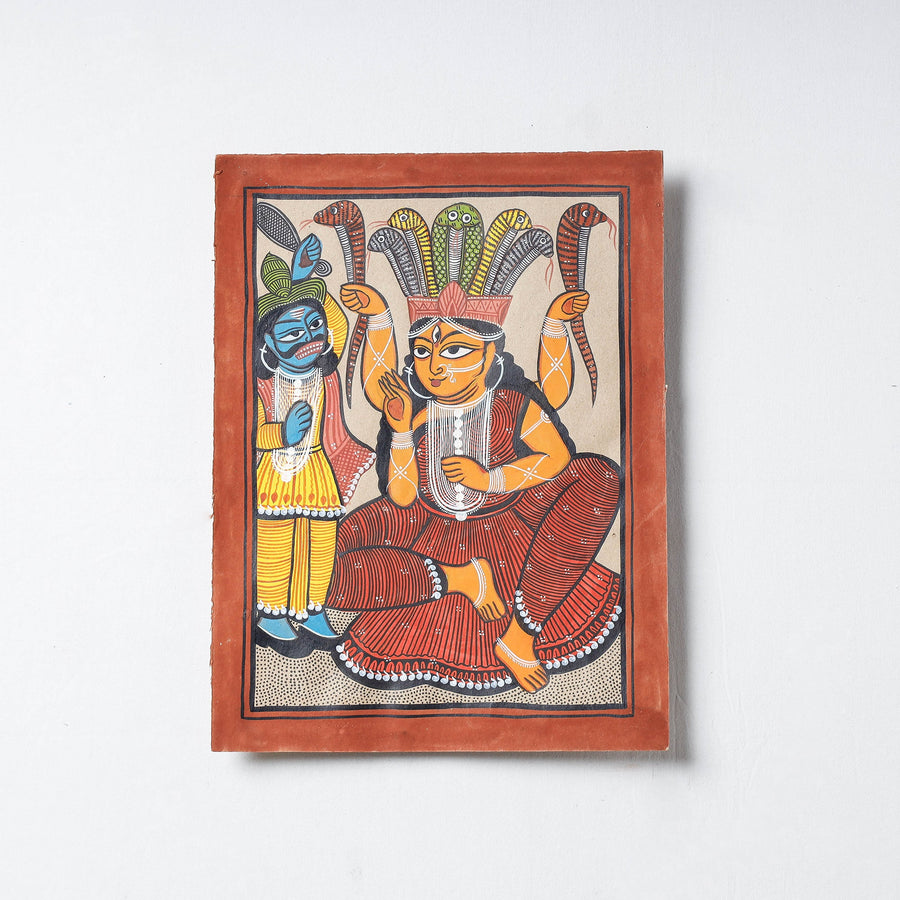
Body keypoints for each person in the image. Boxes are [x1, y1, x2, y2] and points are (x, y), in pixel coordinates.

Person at [325, 279, 622, 693]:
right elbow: (403, 497)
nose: (434, 366)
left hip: (512, 518)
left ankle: (520, 634)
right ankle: (459, 579)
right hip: (424, 527)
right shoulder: (416, 416)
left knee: (600, 474)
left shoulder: (511, 404)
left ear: (489, 355)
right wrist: (402, 430)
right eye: (423, 352)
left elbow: (556, 459)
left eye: (454, 350)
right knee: (314, 567)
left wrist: (491, 479)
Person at [253, 255, 374, 656]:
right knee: (276, 543)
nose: (308, 336)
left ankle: (311, 610)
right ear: (268, 345)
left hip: (317, 471)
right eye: (291, 332)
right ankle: (272, 614)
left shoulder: (324, 374)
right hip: (274, 476)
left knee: (320, 542)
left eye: (314, 325)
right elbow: (253, 434)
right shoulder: (262, 385)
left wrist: (303, 281)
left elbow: (337, 324)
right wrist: (281, 434)